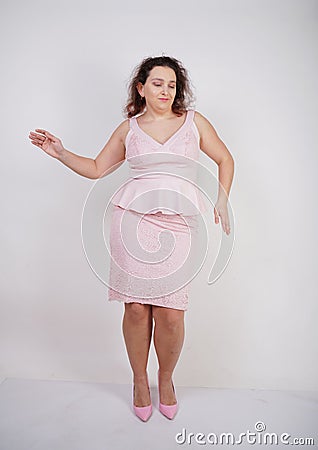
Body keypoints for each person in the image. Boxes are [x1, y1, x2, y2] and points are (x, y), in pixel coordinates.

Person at [28, 55, 234, 422]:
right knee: (136, 309)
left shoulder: (194, 123)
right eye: (158, 83)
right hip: (132, 223)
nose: (166, 90)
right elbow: (95, 168)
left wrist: (222, 196)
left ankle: (165, 378)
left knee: (171, 314)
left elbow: (225, 159)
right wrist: (58, 152)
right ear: (141, 88)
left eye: (171, 85)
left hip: (178, 225)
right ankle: (140, 380)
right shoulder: (129, 129)